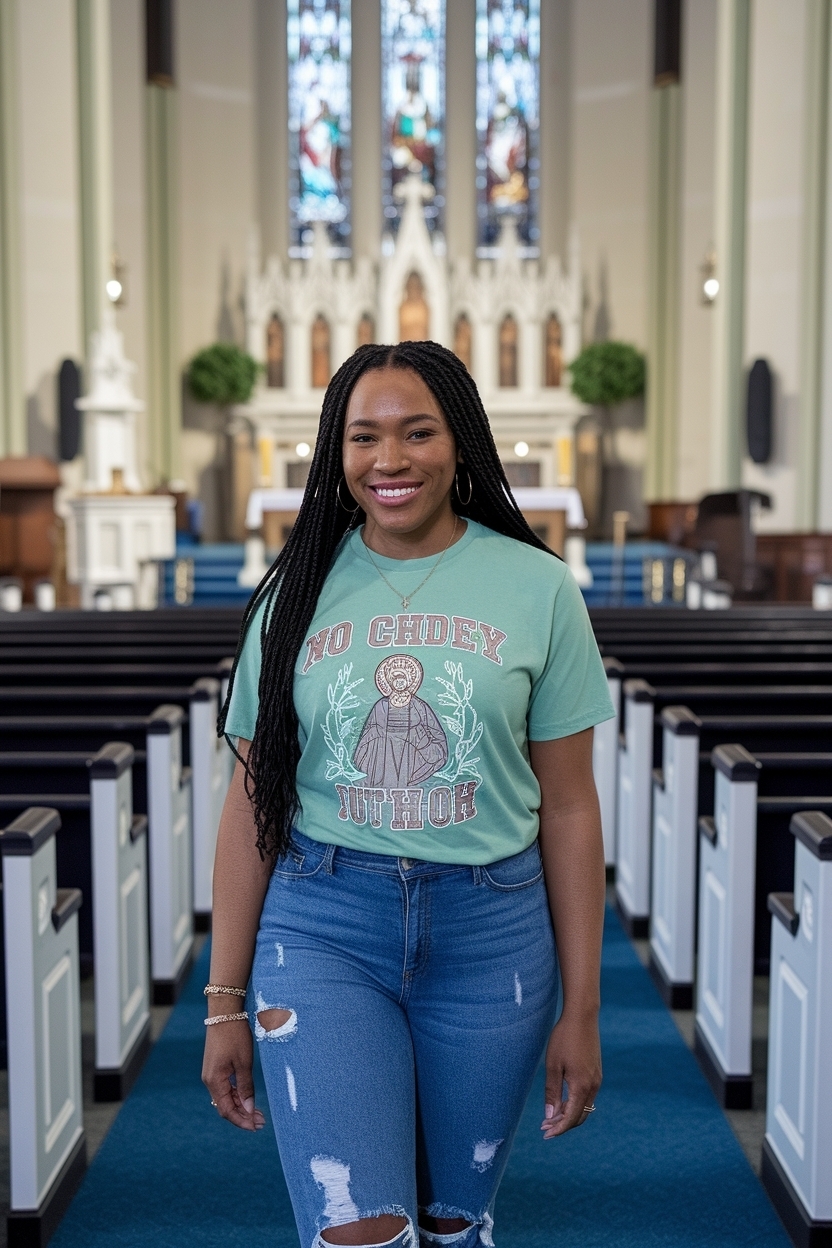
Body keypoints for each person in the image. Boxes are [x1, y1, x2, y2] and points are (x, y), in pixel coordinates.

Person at [202, 341, 614, 1248]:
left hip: (491, 933)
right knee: (362, 1232)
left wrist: (582, 1007)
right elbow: (251, 801)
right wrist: (222, 999)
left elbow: (572, 807)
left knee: (454, 1226)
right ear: (335, 453)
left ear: (460, 441)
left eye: (417, 432)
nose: (390, 461)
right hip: (323, 922)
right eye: (364, 438)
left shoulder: (539, 588)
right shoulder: (296, 593)